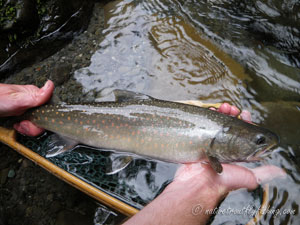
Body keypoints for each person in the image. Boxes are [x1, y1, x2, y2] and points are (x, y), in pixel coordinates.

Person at [0, 81, 285, 225]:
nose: (261, 146)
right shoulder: (214, 149)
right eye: (258, 141)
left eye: (258, 142)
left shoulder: (215, 147)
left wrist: (206, 182)